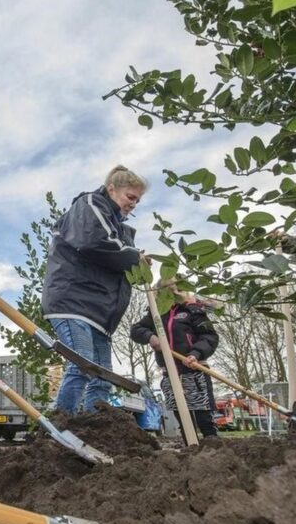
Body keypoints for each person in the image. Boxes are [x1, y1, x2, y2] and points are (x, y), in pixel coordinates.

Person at [41, 165, 148, 415]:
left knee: (103, 378)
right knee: (82, 365)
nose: (134, 204)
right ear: (112, 189)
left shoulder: (121, 230)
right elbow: (93, 241)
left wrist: (139, 266)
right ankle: (59, 428)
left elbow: (121, 264)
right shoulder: (90, 205)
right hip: (73, 301)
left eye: (138, 200)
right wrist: (133, 256)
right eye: (130, 197)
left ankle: (96, 430)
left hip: (99, 312)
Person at [130, 280, 221, 439]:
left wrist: (195, 353)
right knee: (182, 416)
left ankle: (211, 443)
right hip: (170, 374)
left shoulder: (193, 311)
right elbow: (136, 330)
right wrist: (150, 336)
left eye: (175, 290)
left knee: (202, 413)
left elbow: (209, 336)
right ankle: (190, 446)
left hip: (194, 369)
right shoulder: (156, 314)